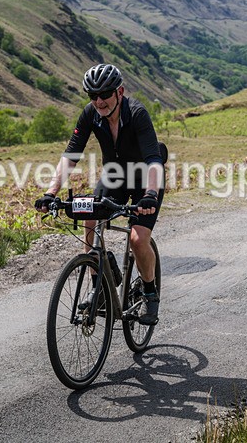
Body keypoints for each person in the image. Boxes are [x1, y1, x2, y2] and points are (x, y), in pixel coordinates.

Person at [35, 64, 164, 325]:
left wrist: (150, 194)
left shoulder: (137, 113)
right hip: (114, 177)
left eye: (104, 94)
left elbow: (153, 158)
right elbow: (71, 153)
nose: (98, 101)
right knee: (89, 217)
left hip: (145, 181)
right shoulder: (90, 114)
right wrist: (50, 192)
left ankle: (150, 293)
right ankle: (99, 288)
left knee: (138, 240)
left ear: (119, 92)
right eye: (92, 95)